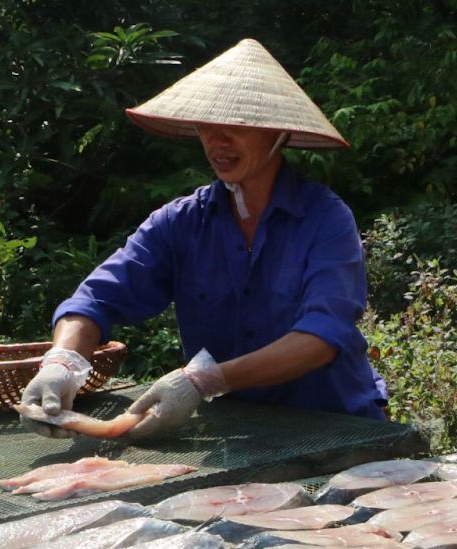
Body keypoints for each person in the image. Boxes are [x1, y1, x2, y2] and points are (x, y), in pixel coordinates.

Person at [22, 39, 387, 440]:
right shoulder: (180, 222)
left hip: (336, 425)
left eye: (236, 126)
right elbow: (95, 300)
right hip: (232, 431)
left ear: (278, 134)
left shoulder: (325, 219)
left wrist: (203, 380)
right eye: (206, 125)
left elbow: (321, 337)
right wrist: (62, 361)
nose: (217, 141)